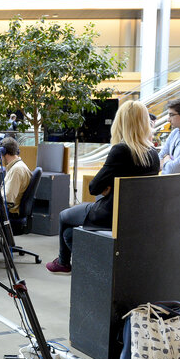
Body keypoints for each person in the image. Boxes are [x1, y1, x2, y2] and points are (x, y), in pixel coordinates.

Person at [46, 101, 160, 275]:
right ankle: (78, 262)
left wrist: (108, 186)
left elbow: (93, 187)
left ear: (121, 122)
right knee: (69, 234)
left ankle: (63, 263)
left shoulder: (121, 150)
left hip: (109, 213)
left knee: (64, 216)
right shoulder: (153, 154)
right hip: (135, 215)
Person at [1, 137, 31, 214]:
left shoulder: (17, 170)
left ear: (3, 152)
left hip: (10, 213)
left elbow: (8, 199)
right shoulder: (16, 167)